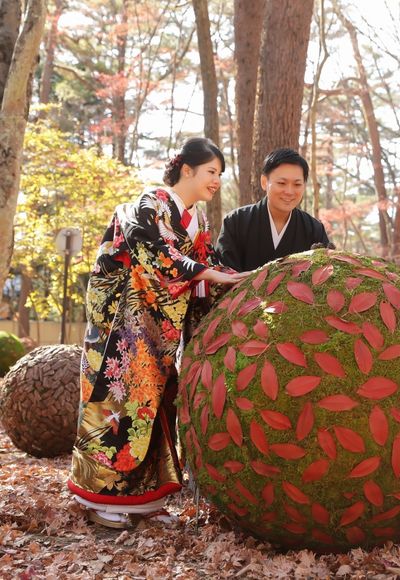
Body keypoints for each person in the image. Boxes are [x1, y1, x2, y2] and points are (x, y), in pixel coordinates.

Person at [68, 138, 249, 529]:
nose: (216, 181)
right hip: (123, 325)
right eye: (211, 172)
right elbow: (151, 249)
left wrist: (239, 280)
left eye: (220, 174)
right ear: (187, 170)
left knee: (153, 409)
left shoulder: (199, 220)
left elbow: (208, 264)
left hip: (158, 333)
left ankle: (144, 500)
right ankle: (100, 496)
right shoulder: (152, 202)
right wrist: (206, 273)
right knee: (117, 405)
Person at [215, 148, 331, 271]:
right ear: (264, 182)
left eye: (297, 184)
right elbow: (223, 273)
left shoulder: (313, 229)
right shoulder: (236, 222)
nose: (289, 191)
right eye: (281, 183)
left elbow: (326, 275)